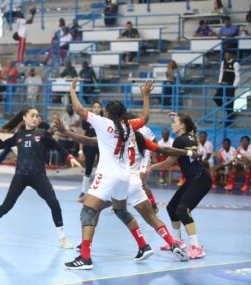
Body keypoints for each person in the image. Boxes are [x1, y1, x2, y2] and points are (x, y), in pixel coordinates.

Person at [53, 114, 191, 263]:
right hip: (135, 182)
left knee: (93, 210)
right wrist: (188, 152)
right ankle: (171, 243)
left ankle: (86, 250)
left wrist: (65, 132)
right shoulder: (139, 138)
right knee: (151, 217)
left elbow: (87, 140)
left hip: (118, 181)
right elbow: (164, 150)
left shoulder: (111, 137)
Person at [64, 78, 152, 270]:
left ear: (109, 113)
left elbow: (79, 111)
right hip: (124, 177)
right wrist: (145, 96)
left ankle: (85, 258)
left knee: (87, 212)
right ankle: (143, 245)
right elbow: (145, 118)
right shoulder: (129, 126)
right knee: (121, 210)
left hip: (107, 175)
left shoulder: (104, 123)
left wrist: (72, 90)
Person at [0, 107, 82, 249]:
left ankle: (62, 239)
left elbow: (58, 147)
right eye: (32, 115)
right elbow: (1, 145)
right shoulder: (18, 135)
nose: (35, 118)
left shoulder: (43, 134)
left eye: (37, 116)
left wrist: (70, 157)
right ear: (24, 118)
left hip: (38, 176)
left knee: (54, 204)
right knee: (6, 206)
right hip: (20, 176)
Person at [147, 112, 212, 259]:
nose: (172, 124)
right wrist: (179, 115)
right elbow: (172, 161)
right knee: (172, 208)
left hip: (200, 179)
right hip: (194, 179)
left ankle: (196, 247)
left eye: (174, 121)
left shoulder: (180, 140)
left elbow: (169, 160)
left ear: (182, 125)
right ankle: (178, 241)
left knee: (183, 209)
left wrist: (151, 167)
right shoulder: (190, 136)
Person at [76, 102, 101, 203]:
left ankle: (97, 191)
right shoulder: (87, 120)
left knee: (101, 170)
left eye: (98, 107)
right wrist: (80, 150)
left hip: (101, 147)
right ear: (92, 109)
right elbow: (81, 134)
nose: (96, 109)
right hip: (89, 146)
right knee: (88, 169)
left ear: (101, 109)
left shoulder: (104, 120)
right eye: (94, 107)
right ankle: (83, 191)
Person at [213, 51, 240, 126]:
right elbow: (221, 72)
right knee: (216, 98)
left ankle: (229, 121)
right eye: (225, 55)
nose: (226, 56)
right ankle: (225, 109)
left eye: (228, 55)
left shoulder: (235, 63)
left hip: (230, 86)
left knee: (230, 103)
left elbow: (237, 76)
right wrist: (219, 81)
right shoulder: (223, 62)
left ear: (231, 55)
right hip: (223, 85)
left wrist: (234, 86)